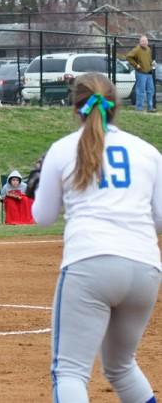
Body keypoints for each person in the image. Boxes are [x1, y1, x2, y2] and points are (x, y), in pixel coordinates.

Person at [33, 72, 162, 402]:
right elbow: (160, 221)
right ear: (116, 107)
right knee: (121, 366)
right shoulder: (148, 152)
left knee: (70, 371)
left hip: (90, 262)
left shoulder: (63, 150)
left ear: (75, 108)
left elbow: (43, 217)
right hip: (145, 268)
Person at [126, 34, 156, 112]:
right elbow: (128, 57)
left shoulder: (148, 49)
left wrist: (152, 63)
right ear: (140, 42)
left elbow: (148, 60)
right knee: (141, 91)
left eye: (146, 41)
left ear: (147, 41)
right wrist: (136, 65)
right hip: (141, 73)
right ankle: (139, 108)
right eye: (142, 41)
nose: (144, 42)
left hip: (149, 73)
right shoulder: (137, 49)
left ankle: (150, 108)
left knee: (150, 90)